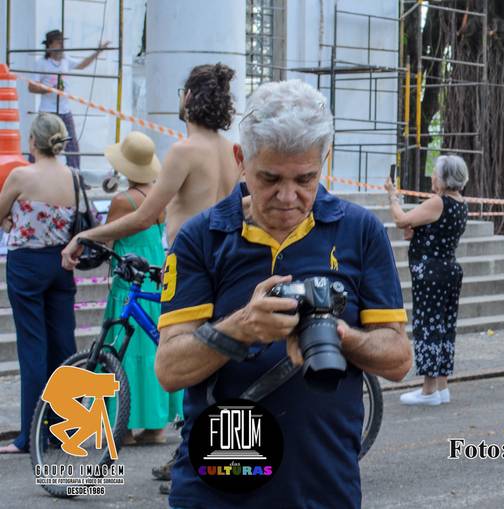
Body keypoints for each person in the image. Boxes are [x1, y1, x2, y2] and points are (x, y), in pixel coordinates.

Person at [154, 79, 412, 508]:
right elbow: (169, 368)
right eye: (270, 178)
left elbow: (399, 359)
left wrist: (339, 335)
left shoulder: (360, 231)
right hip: (218, 486)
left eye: (305, 178)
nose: (288, 196)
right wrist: (241, 327)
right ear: (241, 160)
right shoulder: (202, 237)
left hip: (322, 486)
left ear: (324, 161)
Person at [61, 62, 241, 267]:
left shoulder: (184, 151)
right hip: (223, 262)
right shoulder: (232, 150)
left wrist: (84, 236)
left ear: (188, 96)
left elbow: (143, 218)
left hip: (190, 263)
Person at [0, 113, 78, 454]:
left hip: (26, 264)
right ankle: (64, 428)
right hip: (61, 263)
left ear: (33, 141)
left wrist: (10, 222)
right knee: (63, 344)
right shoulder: (73, 177)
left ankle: (31, 434)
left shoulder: (21, 175)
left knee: (33, 345)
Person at [100, 131, 183, 445]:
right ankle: (155, 425)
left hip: (130, 281)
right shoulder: (161, 195)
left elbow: (108, 239)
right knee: (152, 351)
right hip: (157, 275)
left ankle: (125, 425)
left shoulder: (124, 200)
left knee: (125, 352)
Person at [385, 155, 469, 406]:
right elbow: (431, 229)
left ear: (444, 178)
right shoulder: (460, 203)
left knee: (428, 325)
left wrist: (392, 196)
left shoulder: (438, 202)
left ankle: (429, 390)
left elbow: (401, 220)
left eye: (435, 173)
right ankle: (442, 386)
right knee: (444, 326)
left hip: (431, 274)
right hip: (448, 271)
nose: (432, 177)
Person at [27, 29, 109, 169]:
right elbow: (31, 87)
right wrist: (50, 89)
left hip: (64, 110)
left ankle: (75, 175)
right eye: (58, 42)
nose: (62, 45)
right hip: (48, 111)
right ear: (50, 45)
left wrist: (98, 51)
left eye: (62, 42)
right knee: (41, 141)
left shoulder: (66, 60)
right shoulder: (41, 63)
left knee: (71, 144)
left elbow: (82, 64)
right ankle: (32, 170)